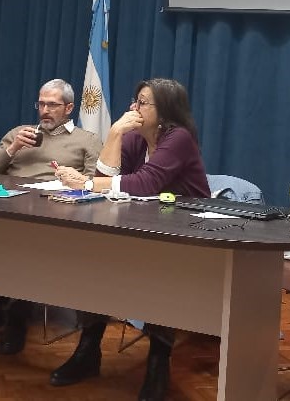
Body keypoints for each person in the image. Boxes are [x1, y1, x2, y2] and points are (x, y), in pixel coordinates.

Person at [52, 78, 210, 401]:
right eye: (135, 100)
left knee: (159, 272)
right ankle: (88, 350)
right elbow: (106, 180)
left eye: (143, 102)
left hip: (188, 236)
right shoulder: (138, 138)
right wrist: (114, 133)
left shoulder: (178, 138)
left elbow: (144, 184)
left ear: (165, 111)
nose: (134, 108)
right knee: (97, 260)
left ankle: (158, 361)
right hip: (144, 228)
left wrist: (84, 184)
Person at [0, 79, 102, 355]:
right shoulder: (19, 134)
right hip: (8, 209)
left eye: (53, 105)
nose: (45, 110)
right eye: (41, 104)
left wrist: (72, 180)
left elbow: (96, 184)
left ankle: (16, 315)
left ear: (69, 108)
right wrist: (11, 150)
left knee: (24, 245)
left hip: (54, 215)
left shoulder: (86, 141)